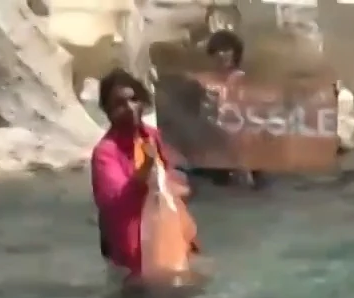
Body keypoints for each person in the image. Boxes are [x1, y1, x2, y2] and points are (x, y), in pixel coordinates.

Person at [89, 68, 197, 282]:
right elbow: (114, 201)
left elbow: (169, 177)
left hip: (167, 240)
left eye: (133, 99)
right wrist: (146, 169)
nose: (129, 108)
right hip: (132, 257)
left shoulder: (152, 136)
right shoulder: (105, 153)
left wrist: (179, 185)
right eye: (120, 104)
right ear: (108, 110)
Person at [186, 30, 269, 191]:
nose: (221, 55)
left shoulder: (247, 81)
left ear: (235, 52)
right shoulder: (203, 82)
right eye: (217, 51)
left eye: (226, 50)